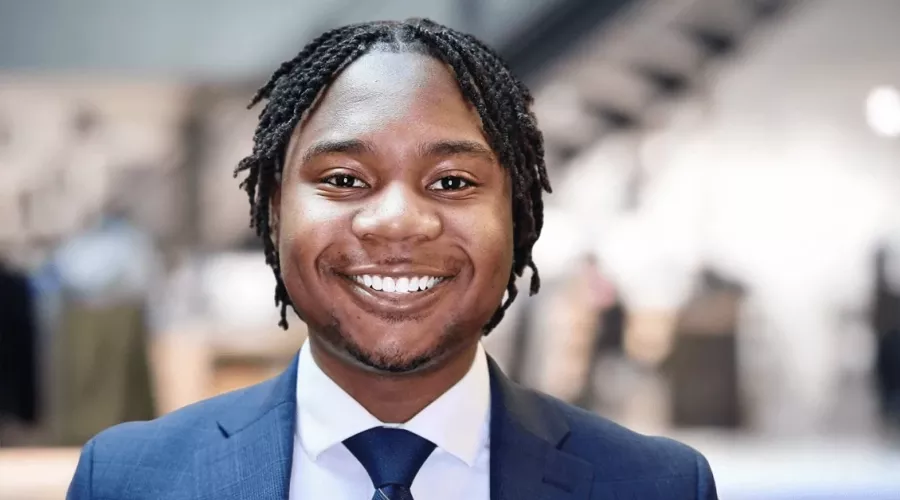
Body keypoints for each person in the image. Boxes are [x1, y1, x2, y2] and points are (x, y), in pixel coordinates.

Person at [67, 18, 717, 500]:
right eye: (346, 180)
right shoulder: (127, 480)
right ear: (273, 211)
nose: (399, 221)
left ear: (517, 218)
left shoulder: (656, 485)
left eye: (453, 182)